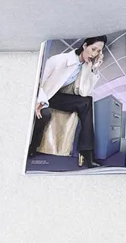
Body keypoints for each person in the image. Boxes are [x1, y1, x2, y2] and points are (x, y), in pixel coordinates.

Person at [28, 35, 107, 168]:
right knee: (45, 114)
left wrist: (94, 69)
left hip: (56, 97)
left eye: (98, 51)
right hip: (44, 95)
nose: (94, 54)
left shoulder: (85, 65)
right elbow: (37, 82)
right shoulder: (58, 60)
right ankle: (31, 147)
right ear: (84, 45)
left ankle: (87, 153)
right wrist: (40, 100)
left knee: (87, 102)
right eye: (93, 49)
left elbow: (84, 93)